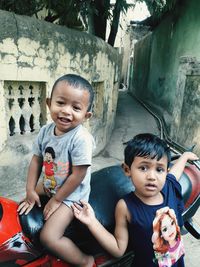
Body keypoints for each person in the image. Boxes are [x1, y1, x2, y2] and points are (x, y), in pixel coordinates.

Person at [72, 133, 199, 267]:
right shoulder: (126, 207)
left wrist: (184, 157)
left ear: (165, 172)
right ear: (127, 170)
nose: (152, 176)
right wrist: (92, 222)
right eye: (143, 168)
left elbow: (174, 173)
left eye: (159, 169)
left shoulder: (169, 187)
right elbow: (118, 249)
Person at [17, 74, 95, 267]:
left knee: (49, 237)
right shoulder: (45, 131)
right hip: (51, 184)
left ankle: (85, 261)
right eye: (61, 103)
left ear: (86, 115)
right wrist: (30, 190)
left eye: (76, 108)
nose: (66, 111)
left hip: (71, 195)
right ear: (49, 103)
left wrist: (56, 200)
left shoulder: (81, 139)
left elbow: (78, 175)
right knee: (21, 209)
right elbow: (36, 160)